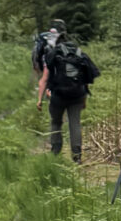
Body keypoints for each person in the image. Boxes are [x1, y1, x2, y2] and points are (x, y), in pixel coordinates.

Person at [37, 27, 99, 161]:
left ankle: (55, 153)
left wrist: (40, 98)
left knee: (56, 122)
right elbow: (86, 78)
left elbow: (45, 77)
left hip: (58, 95)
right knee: (75, 124)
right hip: (78, 94)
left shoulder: (53, 54)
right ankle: (77, 156)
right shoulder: (80, 54)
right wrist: (84, 99)